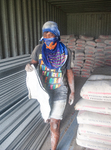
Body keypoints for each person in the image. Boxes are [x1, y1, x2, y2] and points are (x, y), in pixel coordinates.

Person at [25, 21, 74, 150]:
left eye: (50, 33)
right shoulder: (38, 49)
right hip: (44, 90)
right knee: (47, 117)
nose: (47, 36)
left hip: (60, 89)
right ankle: (48, 116)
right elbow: (33, 63)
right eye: (45, 34)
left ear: (56, 34)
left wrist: (73, 91)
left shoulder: (65, 51)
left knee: (55, 123)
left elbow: (69, 71)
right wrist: (29, 66)